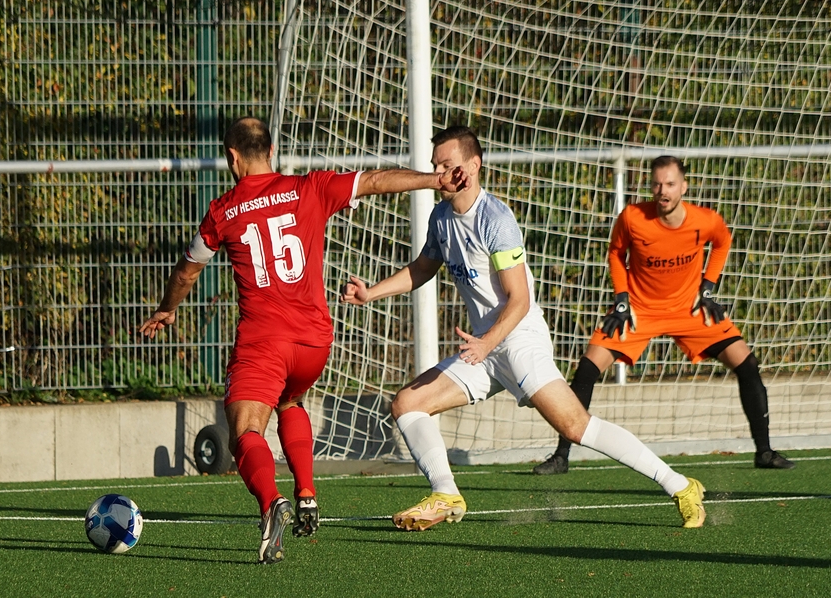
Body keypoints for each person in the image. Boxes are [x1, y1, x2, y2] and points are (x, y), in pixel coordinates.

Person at [340, 126, 706, 531]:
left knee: (575, 426)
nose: (439, 173)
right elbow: (424, 267)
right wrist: (371, 292)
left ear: (473, 166)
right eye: (435, 166)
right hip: (484, 347)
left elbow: (520, 300)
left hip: (517, 339)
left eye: (447, 165)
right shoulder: (441, 216)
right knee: (407, 404)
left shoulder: (495, 219)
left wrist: (488, 343)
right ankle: (446, 494)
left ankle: (680, 485)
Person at [138, 116, 467, 564]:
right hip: (314, 345)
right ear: (271, 152)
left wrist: (167, 308)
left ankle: (272, 502)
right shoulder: (310, 187)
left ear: (232, 157)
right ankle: (307, 493)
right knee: (290, 402)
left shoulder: (222, 211)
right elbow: (374, 181)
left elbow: (186, 272)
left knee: (245, 431)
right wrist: (433, 179)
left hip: (264, 343)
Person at [532, 155, 795, 476]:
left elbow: (722, 242)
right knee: (587, 369)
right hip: (639, 310)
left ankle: (764, 452)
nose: (663, 191)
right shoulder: (633, 218)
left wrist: (708, 287)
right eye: (657, 184)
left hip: (689, 310)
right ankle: (561, 456)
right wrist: (621, 299)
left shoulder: (705, 220)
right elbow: (616, 253)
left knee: (747, 363)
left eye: (670, 184)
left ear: (684, 186)